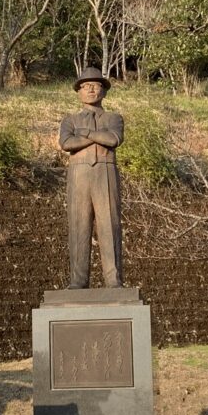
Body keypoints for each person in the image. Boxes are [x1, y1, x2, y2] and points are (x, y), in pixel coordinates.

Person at [59, 67, 123, 289]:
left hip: (105, 171)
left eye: (96, 86)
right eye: (86, 86)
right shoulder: (70, 120)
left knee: (109, 224)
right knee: (79, 225)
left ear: (104, 92)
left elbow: (113, 139)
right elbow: (67, 143)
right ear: (78, 91)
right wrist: (97, 138)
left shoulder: (114, 118)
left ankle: (114, 280)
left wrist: (84, 134)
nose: (91, 89)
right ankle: (78, 280)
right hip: (79, 173)